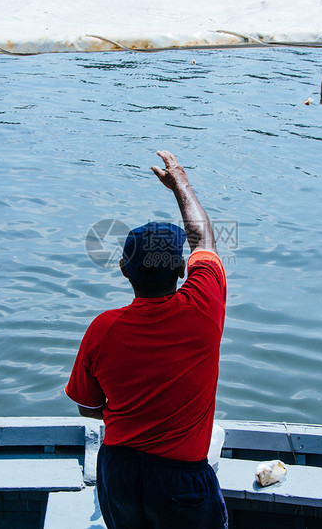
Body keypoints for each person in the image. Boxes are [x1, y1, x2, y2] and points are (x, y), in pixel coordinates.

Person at [65, 150, 228, 529]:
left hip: (117, 470)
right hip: (180, 478)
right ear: (182, 269)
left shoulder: (102, 329)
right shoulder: (202, 307)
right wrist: (180, 184)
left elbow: (88, 408)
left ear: (124, 269)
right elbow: (203, 237)